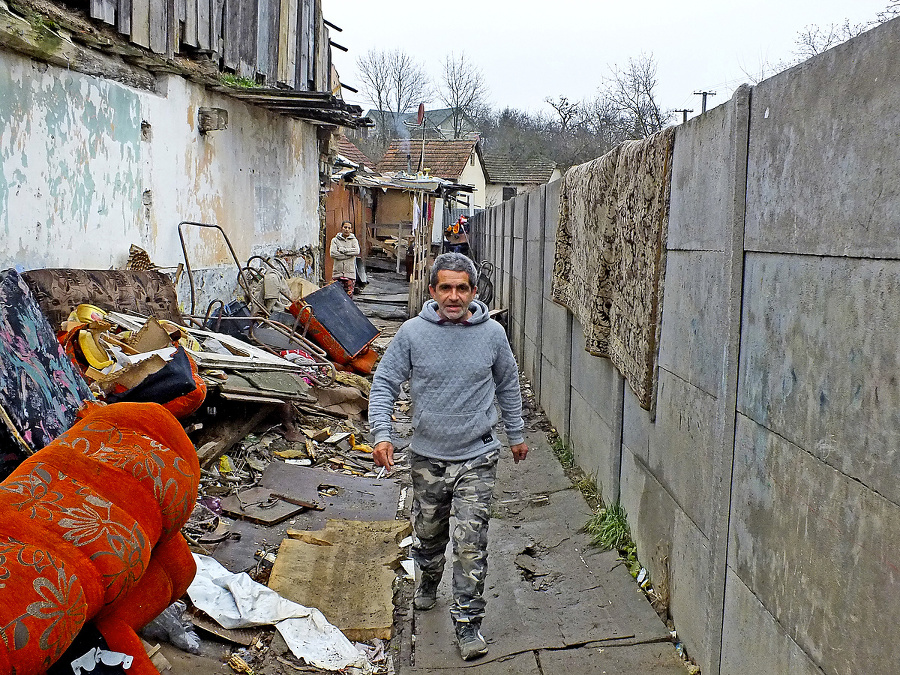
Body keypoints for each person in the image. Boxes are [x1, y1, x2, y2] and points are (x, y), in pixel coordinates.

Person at [368, 252, 528, 661]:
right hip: (427, 457)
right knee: (429, 532)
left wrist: (516, 434)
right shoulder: (411, 334)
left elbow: (508, 384)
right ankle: (427, 579)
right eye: (446, 287)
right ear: (433, 291)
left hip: (478, 454)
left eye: (462, 288)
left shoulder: (492, 334)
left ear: (474, 292)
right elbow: (384, 382)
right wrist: (383, 435)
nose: (454, 296)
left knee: (471, 541)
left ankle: (468, 623)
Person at [329, 221, 360, 297]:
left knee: (349, 297)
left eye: (349, 228)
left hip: (350, 274)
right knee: (336, 296)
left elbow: (356, 251)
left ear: (351, 230)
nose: (347, 229)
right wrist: (349, 255)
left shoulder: (354, 241)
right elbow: (333, 254)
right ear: (341, 228)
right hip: (337, 273)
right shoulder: (335, 240)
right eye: (345, 227)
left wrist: (343, 250)